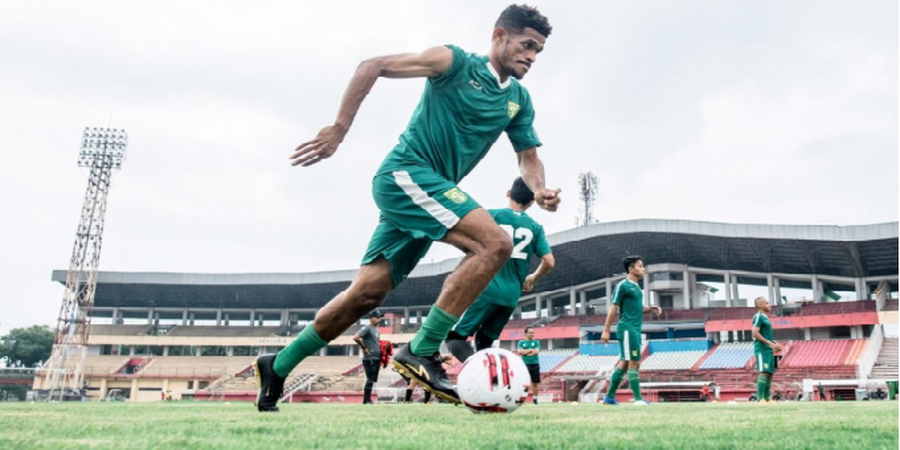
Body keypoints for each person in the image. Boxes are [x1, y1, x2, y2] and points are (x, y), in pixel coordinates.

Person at [253, 4, 559, 412]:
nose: (532, 57)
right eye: (526, 45)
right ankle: (422, 349)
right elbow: (372, 65)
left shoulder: (518, 100)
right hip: (406, 175)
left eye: (538, 51)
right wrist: (338, 130)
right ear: (499, 36)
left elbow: (528, 155)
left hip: (429, 193)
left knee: (366, 294)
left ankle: (278, 364)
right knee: (494, 245)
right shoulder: (453, 62)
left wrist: (538, 189)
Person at [445, 177, 555, 363]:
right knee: (485, 342)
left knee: (454, 338)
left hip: (488, 290)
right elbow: (549, 261)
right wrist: (533, 278)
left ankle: (478, 370)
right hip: (511, 296)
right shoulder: (535, 228)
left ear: (508, 193)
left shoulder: (492, 216)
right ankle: (489, 382)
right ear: (530, 202)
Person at [600, 256, 662, 406]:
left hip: (634, 329)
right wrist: (606, 330)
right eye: (640, 266)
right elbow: (614, 308)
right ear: (631, 269)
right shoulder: (623, 286)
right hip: (627, 329)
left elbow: (636, 309)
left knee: (624, 365)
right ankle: (638, 399)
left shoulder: (636, 289)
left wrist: (650, 309)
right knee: (634, 363)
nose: (643, 269)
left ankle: (609, 398)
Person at [751, 297, 783, 404]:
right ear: (760, 305)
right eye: (767, 303)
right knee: (764, 372)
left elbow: (766, 335)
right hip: (762, 348)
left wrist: (775, 344)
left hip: (768, 349)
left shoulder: (765, 318)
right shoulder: (758, 317)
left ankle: (767, 398)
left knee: (769, 373)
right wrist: (770, 344)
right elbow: (755, 333)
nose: (769, 305)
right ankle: (761, 399)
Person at [353, 310, 384, 404]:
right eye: (377, 317)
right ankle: (366, 400)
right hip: (370, 358)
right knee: (370, 379)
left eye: (380, 317)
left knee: (372, 379)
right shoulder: (367, 328)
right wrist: (364, 347)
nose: (379, 319)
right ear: (371, 318)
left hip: (376, 358)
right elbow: (356, 337)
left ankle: (367, 399)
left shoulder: (376, 330)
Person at [516, 326, 542, 404]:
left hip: (535, 364)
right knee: (524, 383)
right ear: (525, 334)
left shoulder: (536, 342)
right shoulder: (521, 342)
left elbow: (536, 352)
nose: (532, 334)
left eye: (533, 333)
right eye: (530, 333)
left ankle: (535, 399)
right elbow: (520, 352)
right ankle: (522, 399)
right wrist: (531, 350)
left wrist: (526, 353)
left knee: (535, 383)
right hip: (525, 365)